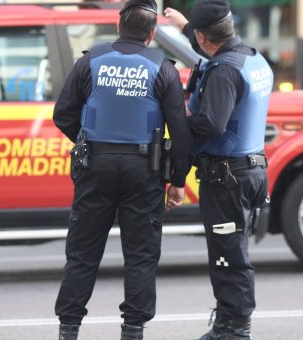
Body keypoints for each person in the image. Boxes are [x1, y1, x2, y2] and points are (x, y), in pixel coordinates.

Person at [52, 0, 193, 339]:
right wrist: (177, 180)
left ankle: (68, 329)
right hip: (144, 168)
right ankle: (133, 330)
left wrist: (88, 141)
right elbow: (181, 129)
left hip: (95, 165)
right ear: (152, 33)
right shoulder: (164, 68)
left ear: (118, 26)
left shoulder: (91, 60)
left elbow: (63, 114)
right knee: (141, 254)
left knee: (83, 252)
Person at [165, 1, 273, 339]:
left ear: (202, 36)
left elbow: (209, 125)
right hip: (249, 171)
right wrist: (185, 27)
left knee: (229, 258)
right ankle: (230, 321)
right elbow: (211, 56)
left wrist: (178, 126)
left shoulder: (223, 71)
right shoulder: (253, 59)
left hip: (228, 178)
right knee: (233, 251)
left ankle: (234, 329)